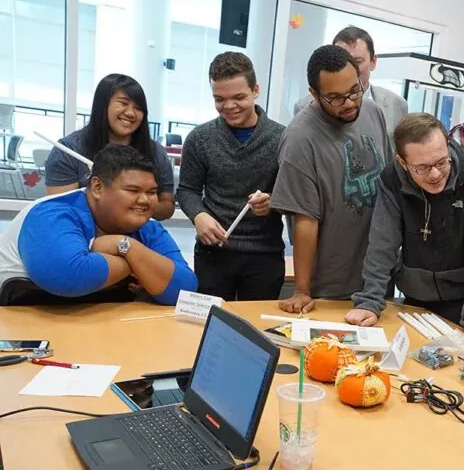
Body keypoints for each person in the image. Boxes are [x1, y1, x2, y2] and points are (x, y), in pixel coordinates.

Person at [346, 114, 464, 344]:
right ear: (402, 163)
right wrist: (369, 301)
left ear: (448, 146)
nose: (436, 174)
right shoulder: (391, 181)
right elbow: (382, 245)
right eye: (422, 168)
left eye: (441, 162)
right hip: (413, 298)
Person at [271, 44, 393, 314]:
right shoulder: (299, 138)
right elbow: (304, 219)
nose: (349, 103)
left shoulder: (373, 112)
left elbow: (388, 184)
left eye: (354, 91)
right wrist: (302, 290)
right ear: (314, 93)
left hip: (377, 278)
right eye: (335, 97)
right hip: (330, 284)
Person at [0, 144, 196, 305]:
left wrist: (125, 245)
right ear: (97, 187)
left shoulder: (149, 228)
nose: (144, 200)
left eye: (152, 192)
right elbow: (69, 276)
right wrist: (140, 267)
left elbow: (185, 290)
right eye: (132, 190)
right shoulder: (51, 214)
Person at [175, 52, 286, 301]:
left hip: (264, 254)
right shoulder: (199, 139)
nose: (229, 106)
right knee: (207, 323)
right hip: (214, 253)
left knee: (255, 329)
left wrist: (273, 202)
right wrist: (199, 216)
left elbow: (295, 194)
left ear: (255, 90)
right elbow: (187, 190)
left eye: (239, 97)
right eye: (219, 99)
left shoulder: (282, 139)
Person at [44, 74, 176, 220]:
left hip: (141, 234)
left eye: (139, 108)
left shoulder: (155, 152)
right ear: (103, 105)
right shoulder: (68, 150)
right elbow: (60, 211)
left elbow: (167, 207)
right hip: (84, 234)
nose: (131, 113)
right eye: (123, 103)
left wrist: (136, 202)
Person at [294, 26, 408, 139]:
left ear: (373, 62)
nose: (350, 68)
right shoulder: (304, 107)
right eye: (341, 62)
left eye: (357, 61)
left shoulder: (397, 105)